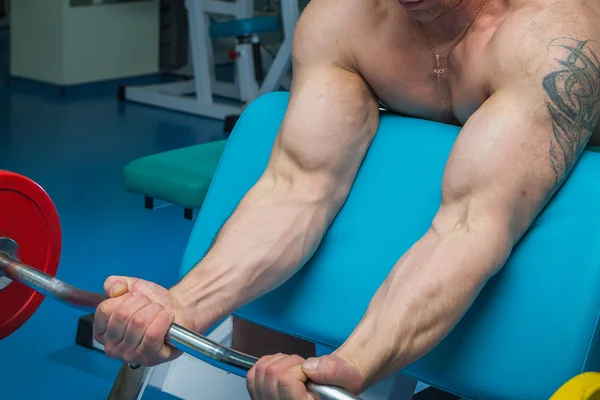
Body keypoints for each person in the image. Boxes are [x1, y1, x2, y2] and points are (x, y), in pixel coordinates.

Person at [94, 0, 600, 398]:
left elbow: (470, 225)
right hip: (448, 222)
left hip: (559, 253)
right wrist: (182, 305)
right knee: (266, 324)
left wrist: (351, 364)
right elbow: (298, 186)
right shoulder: (345, 19)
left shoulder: (551, 38)